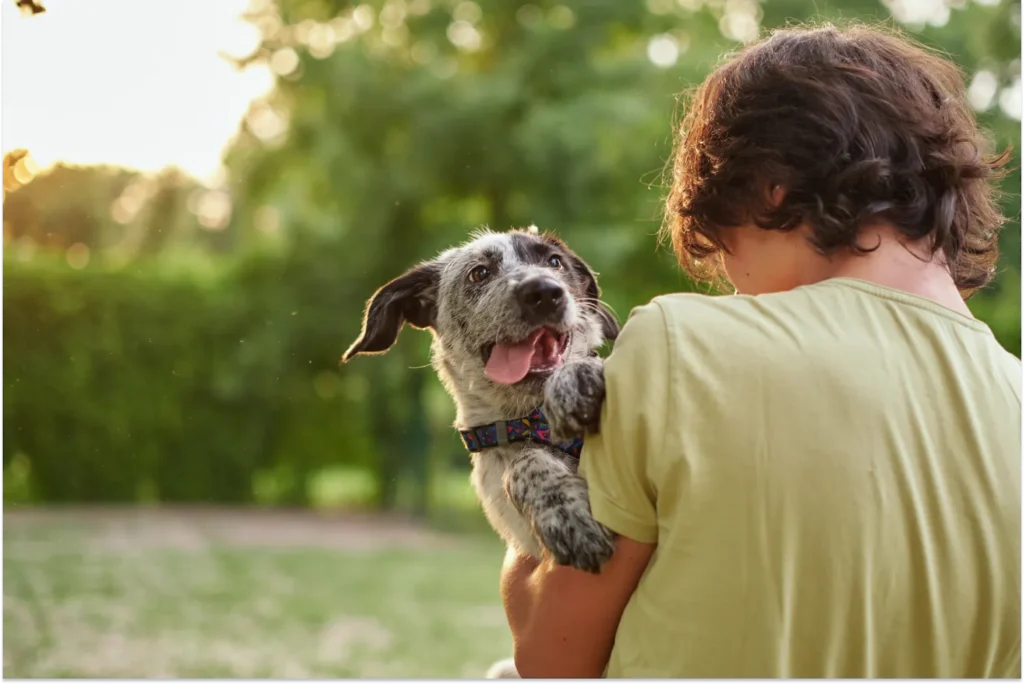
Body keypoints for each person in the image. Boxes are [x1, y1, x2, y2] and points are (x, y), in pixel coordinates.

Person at [499, 23, 1021, 679]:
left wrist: (522, 459)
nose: (734, 284)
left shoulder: (681, 349)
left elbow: (552, 655)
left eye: (722, 247)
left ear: (770, 187)